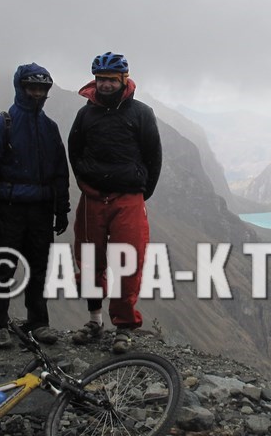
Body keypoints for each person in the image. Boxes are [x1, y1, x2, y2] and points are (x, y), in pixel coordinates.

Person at [68, 52, 162, 354]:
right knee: (88, 260)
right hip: (92, 198)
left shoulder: (141, 113)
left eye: (111, 79)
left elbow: (153, 156)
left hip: (128, 199)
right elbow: (75, 151)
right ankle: (95, 320)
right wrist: (85, 182)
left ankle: (123, 327)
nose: (105, 84)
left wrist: (140, 191)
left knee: (127, 262)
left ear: (123, 80)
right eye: (100, 79)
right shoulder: (85, 115)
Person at [0, 63, 70, 349]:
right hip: (9, 210)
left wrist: (61, 208)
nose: (37, 93)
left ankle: (38, 323)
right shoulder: (1, 125)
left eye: (42, 88)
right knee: (3, 268)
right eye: (32, 87)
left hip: (41, 211)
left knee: (39, 269)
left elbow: (59, 171)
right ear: (21, 87)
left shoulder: (50, 128)